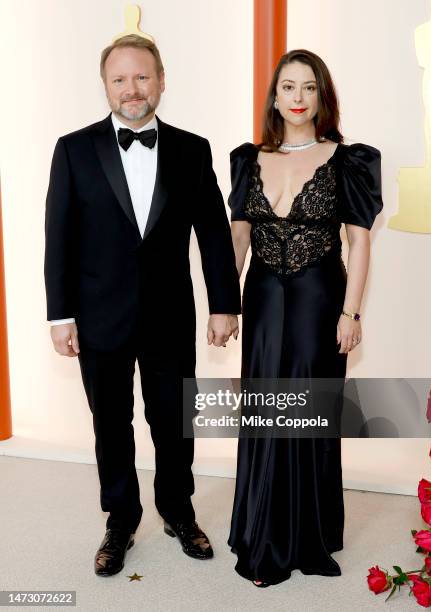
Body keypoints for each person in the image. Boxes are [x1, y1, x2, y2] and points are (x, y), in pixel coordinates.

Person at [44, 34, 240, 576]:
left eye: (142, 76)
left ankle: (178, 509)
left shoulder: (191, 149)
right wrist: (59, 315)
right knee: (111, 423)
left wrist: (225, 304)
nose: (132, 88)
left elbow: (215, 235)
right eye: (120, 78)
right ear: (105, 86)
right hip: (98, 317)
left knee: (175, 422)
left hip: (170, 315)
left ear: (161, 80)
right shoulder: (73, 149)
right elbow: (57, 237)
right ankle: (121, 519)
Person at [227, 49, 383, 587]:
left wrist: (351, 311)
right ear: (274, 96)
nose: (297, 98)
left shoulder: (350, 159)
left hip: (322, 300)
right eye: (288, 87)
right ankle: (262, 538)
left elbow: (358, 243)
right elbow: (240, 237)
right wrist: (225, 304)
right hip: (264, 300)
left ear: (323, 96)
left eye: (309, 87)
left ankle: (310, 540)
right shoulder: (248, 159)